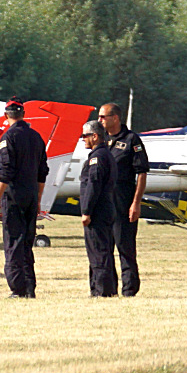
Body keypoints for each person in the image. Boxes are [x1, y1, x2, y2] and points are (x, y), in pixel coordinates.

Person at [0, 98, 48, 297]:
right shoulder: (36, 137)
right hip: (31, 195)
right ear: (23, 114)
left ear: (6, 116)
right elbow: (42, 172)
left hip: (14, 196)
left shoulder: (8, 138)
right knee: (26, 243)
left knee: (13, 241)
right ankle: (29, 287)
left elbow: (6, 172)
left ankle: (17, 289)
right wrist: (38, 199)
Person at [99, 103, 149, 296]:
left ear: (115, 118)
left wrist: (136, 203)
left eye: (103, 117)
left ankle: (129, 289)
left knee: (125, 247)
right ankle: (108, 288)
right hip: (104, 203)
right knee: (104, 248)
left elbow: (142, 173)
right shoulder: (100, 139)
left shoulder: (131, 140)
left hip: (123, 201)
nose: (100, 120)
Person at [77, 121, 120, 297]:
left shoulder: (98, 157)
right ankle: (104, 288)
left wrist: (86, 211)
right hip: (106, 208)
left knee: (98, 251)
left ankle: (102, 291)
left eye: (85, 136)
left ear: (95, 136)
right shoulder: (105, 154)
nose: (83, 140)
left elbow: (93, 185)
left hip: (98, 211)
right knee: (104, 250)